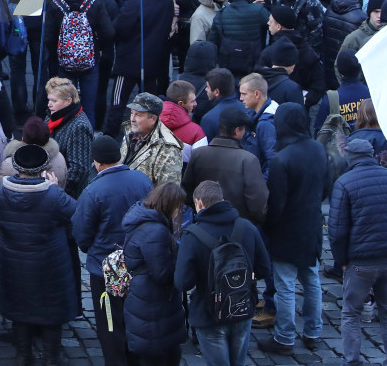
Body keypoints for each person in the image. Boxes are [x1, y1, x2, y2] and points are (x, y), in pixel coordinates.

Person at [330, 137, 387, 366]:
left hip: (358, 262)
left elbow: (337, 231)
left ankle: (352, 361)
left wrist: (342, 262)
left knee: (351, 314)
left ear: (349, 156)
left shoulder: (344, 183)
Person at [0, 143, 79, 365]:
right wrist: (56, 187)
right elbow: (75, 213)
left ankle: (23, 356)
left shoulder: (0, 192)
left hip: (14, 262)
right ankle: (51, 358)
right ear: (43, 169)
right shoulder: (53, 196)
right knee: (51, 313)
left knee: (19, 309)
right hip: (50, 263)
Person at [73, 135, 153, 366]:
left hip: (105, 268)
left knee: (110, 323)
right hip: (139, 262)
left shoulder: (93, 191)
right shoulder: (142, 180)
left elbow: (82, 234)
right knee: (136, 316)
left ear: (97, 163)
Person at [258, 104, 329, 354]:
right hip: (311, 226)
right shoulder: (318, 149)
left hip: (287, 229)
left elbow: (276, 202)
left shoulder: (282, 158)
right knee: (311, 280)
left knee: (285, 284)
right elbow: (327, 187)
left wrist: (269, 227)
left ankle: (284, 336)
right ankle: (313, 331)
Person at [174, 181, 270, 366]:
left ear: (199, 203)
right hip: (241, 307)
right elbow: (265, 269)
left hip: (208, 313)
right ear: (222, 199)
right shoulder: (247, 227)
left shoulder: (192, 235)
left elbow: (182, 282)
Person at [122, 183, 189, 366]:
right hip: (152, 304)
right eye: (179, 207)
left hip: (144, 299)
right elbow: (162, 273)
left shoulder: (144, 220)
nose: (180, 212)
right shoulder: (156, 231)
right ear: (170, 205)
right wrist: (181, 259)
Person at [107, 0, 174, 133]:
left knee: (117, 104)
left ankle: (109, 138)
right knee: (150, 108)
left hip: (128, 61)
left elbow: (120, 29)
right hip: (153, 61)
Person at [184, 105, 268, 224]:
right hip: (237, 230)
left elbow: (187, 192)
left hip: (203, 225)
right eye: (244, 129)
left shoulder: (198, 155)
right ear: (237, 131)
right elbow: (258, 203)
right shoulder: (248, 160)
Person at [207, 0, 269, 78]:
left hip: (227, 68)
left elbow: (212, 42)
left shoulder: (222, 13)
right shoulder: (259, 11)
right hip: (253, 67)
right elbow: (275, 28)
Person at [45, 77, 97, 197]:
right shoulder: (52, 115)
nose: (49, 104)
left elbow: (79, 169)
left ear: (68, 101)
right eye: (49, 99)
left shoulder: (80, 127)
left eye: (54, 101)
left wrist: (58, 190)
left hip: (67, 193)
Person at [120, 92, 184, 187]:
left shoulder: (168, 148)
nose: (132, 119)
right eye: (131, 113)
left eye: (138, 115)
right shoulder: (130, 134)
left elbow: (168, 194)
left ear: (153, 119)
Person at [0, 116, 68, 189]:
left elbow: (0, 193)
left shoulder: (8, 165)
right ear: (47, 138)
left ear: (23, 139)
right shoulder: (59, 158)